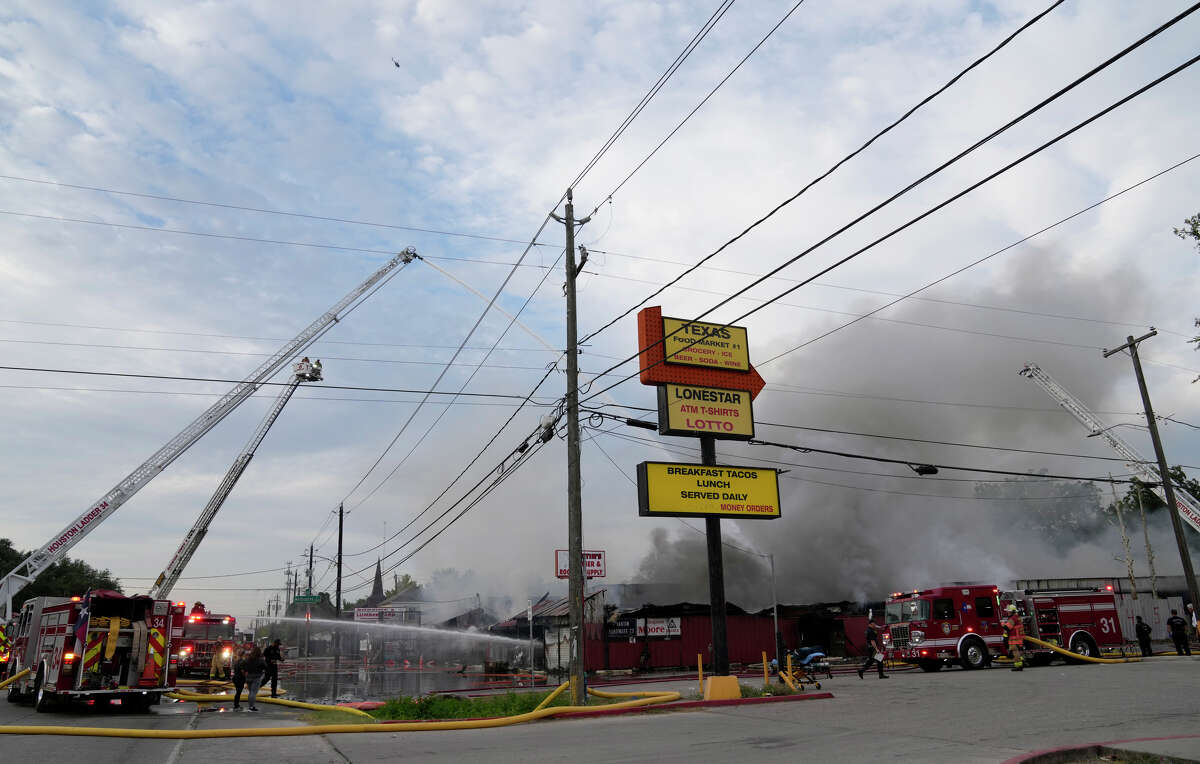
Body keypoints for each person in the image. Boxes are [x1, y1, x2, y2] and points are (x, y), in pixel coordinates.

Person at [243, 645, 266, 712]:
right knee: (253, 692)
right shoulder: (260, 660)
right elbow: (265, 667)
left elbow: (243, 666)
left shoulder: (248, 659)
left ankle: (250, 706)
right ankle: (251, 707)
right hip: (256, 678)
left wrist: (245, 672)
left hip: (248, 677)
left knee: (251, 692)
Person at [1003, 604, 1025, 671]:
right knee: (1017, 651)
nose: (1007, 612)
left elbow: (1007, 627)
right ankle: (1020, 662)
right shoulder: (1017, 617)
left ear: (1012, 612)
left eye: (1008, 611)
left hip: (1014, 637)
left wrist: (1002, 624)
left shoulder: (1013, 618)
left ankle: (1018, 665)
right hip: (1018, 637)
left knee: (1015, 651)